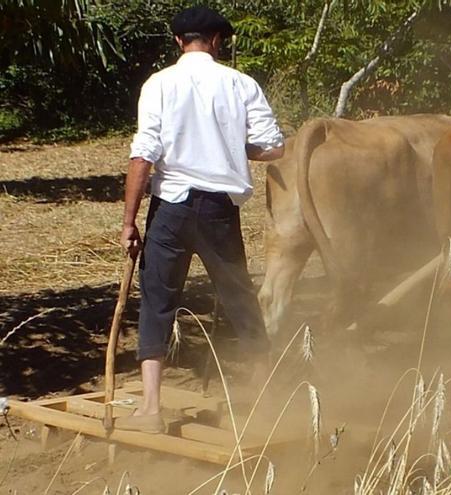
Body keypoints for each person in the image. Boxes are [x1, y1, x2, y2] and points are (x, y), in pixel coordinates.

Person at [116, 6, 285, 433]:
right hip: (218, 212)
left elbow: (143, 155)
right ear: (217, 41)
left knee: (157, 301)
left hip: (170, 209)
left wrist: (129, 221)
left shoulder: (159, 84)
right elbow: (272, 147)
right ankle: (266, 403)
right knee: (241, 300)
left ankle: (150, 410)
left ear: (178, 41)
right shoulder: (241, 84)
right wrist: (230, 146)